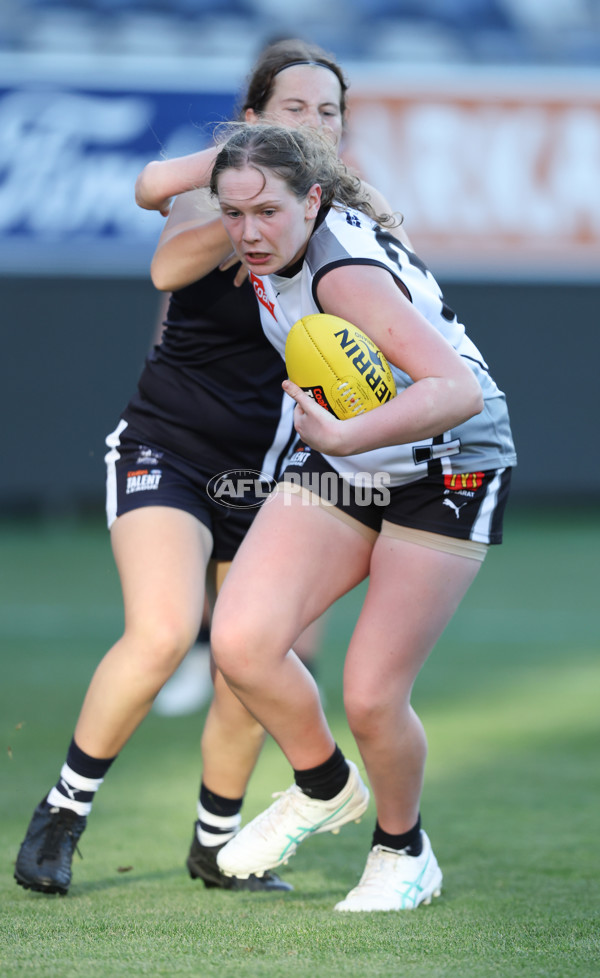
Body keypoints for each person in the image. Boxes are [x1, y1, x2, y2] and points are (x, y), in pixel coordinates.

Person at [13, 40, 407, 897]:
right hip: (173, 448)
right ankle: (62, 816)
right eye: (294, 110)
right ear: (257, 116)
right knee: (161, 632)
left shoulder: (344, 216)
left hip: (280, 474)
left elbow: (397, 320)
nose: (316, 124)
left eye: (329, 112)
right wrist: (245, 211)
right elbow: (163, 255)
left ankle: (215, 846)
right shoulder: (223, 197)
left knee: (256, 661)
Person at [200, 121, 517, 912]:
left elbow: (456, 391)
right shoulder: (273, 248)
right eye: (233, 214)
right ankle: (324, 785)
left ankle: (404, 852)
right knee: (240, 642)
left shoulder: (343, 276)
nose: (248, 232)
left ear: (312, 201)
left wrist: (342, 436)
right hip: (353, 455)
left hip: (451, 459)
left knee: (373, 696)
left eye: (266, 213)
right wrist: (345, 443)